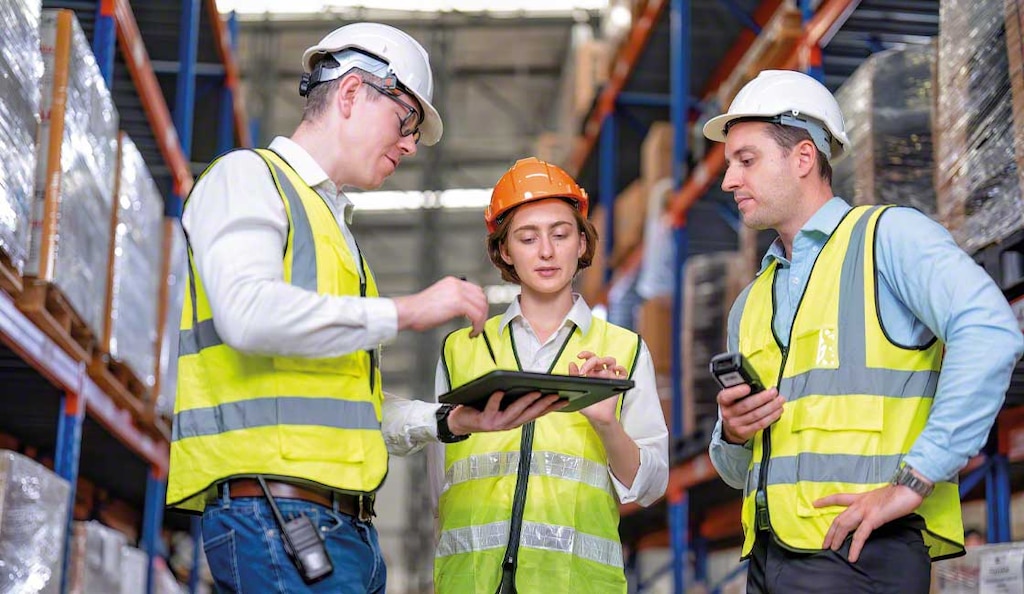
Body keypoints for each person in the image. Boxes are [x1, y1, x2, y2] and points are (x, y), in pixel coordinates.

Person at [165, 24, 564, 594]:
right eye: (406, 122)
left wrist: (452, 421)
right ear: (351, 93)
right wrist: (407, 311)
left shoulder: (334, 230)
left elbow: (350, 405)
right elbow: (246, 313)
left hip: (337, 528)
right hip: (279, 517)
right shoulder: (247, 178)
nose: (409, 145)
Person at [704, 69, 1024, 593]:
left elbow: (990, 330)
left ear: (803, 157)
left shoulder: (888, 239)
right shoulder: (751, 301)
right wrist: (734, 433)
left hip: (864, 553)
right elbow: (740, 472)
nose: (729, 181)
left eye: (746, 160)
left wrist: (916, 479)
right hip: (769, 560)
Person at [428, 157, 670, 593]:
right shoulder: (462, 350)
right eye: (527, 237)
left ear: (581, 243)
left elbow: (650, 485)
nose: (545, 251)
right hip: (470, 582)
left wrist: (607, 424)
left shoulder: (625, 350)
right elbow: (437, 487)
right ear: (504, 250)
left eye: (560, 235)